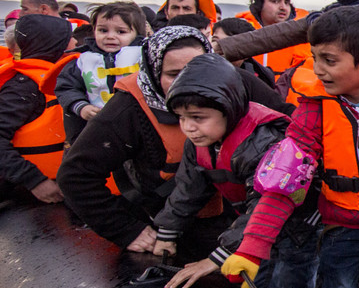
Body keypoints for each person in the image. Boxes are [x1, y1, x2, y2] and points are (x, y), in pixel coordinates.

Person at [222, 7, 359, 288]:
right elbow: (285, 179)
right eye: (315, 58)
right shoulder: (313, 109)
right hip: (342, 223)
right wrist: (253, 247)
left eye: (329, 61)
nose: (318, 70)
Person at [58, 26, 290, 256]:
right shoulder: (127, 108)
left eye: (196, 68)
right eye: (173, 74)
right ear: (153, 71)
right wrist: (127, 230)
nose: (189, 80)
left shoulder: (237, 82)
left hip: (248, 219)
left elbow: (293, 127)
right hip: (175, 229)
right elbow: (75, 175)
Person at [145, 54, 321, 288]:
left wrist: (215, 258)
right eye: (181, 118)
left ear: (228, 109)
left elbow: (261, 204)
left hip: (294, 228)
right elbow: (188, 189)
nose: (189, 127)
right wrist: (167, 232)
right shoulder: (200, 141)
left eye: (197, 117)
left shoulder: (263, 142)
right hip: (250, 230)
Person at [0, 15, 74, 203]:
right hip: (22, 189)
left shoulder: (63, 79)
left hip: (57, 185)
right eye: (69, 38)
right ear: (55, 45)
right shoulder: (23, 87)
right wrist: (34, 181)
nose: (75, 41)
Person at [55, 1, 147, 142]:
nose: (110, 36)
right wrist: (81, 107)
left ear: (137, 34)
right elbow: (66, 87)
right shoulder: (82, 61)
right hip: (94, 128)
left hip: (138, 127)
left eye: (120, 32)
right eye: (103, 30)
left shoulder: (145, 57)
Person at [234, 0, 310, 77]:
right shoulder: (239, 32)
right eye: (275, 1)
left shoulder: (302, 36)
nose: (283, 7)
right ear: (259, 6)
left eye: (286, 2)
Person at [212, 17, 275, 88]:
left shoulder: (260, 83)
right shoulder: (201, 70)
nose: (217, 49)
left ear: (246, 53)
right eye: (214, 41)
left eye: (227, 44)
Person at [153, 0, 219, 30]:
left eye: (187, 9)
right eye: (175, 8)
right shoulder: (152, 42)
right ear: (166, 13)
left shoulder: (209, 41)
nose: (180, 13)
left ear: (197, 13)